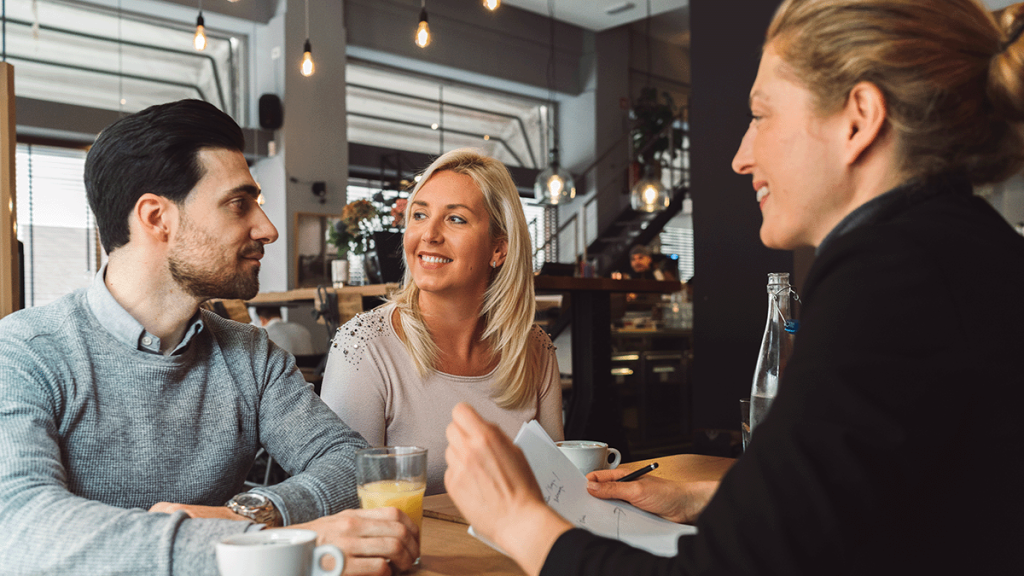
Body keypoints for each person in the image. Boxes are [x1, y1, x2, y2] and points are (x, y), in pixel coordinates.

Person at [442, 1, 1024, 574]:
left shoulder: (889, 282)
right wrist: (702, 499)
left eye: (762, 116)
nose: (741, 158)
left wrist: (520, 521)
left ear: (858, 119)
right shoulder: (968, 251)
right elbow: (885, 506)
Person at [0, 99, 418, 575]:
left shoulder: (251, 354)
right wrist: (267, 545)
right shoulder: (23, 353)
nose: (268, 228)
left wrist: (254, 514)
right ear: (157, 218)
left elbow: (347, 462)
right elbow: (19, 527)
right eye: (239, 203)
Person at [321, 148, 563, 495]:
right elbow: (345, 497)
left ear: (499, 249)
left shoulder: (535, 348)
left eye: (456, 219)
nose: (429, 235)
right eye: (419, 215)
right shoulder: (363, 347)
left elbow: (556, 489)